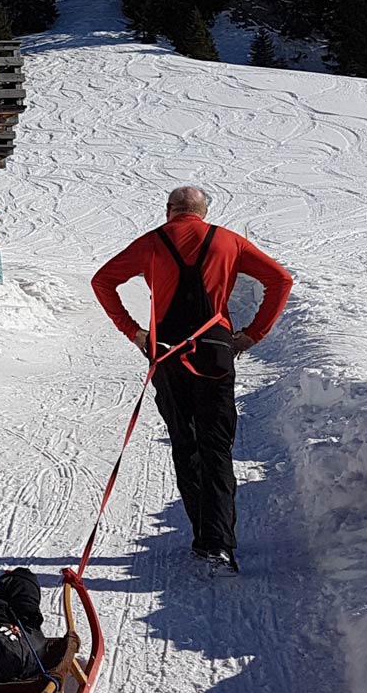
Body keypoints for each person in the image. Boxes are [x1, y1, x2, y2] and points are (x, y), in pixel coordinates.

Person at [90, 186, 293, 574]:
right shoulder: (229, 241)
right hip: (216, 351)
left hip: (166, 354)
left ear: (169, 211)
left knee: (186, 446)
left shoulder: (152, 242)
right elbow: (281, 280)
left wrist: (134, 333)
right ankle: (219, 545)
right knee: (216, 448)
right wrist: (253, 334)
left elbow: (103, 282)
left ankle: (202, 538)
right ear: (204, 211)